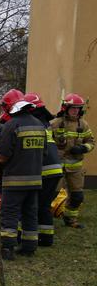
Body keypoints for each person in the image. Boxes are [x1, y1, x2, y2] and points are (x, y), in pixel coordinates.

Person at [0, 90, 45, 260]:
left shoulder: (11, 125)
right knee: (30, 213)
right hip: (35, 180)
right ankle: (29, 247)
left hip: (14, 181)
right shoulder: (39, 125)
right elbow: (44, 153)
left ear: (9, 106)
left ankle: (7, 249)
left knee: (10, 213)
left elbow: (3, 155)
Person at [50, 93, 94, 229]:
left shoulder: (84, 125)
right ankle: (43, 218)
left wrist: (82, 148)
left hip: (75, 168)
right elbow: (47, 143)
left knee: (77, 196)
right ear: (66, 108)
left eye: (78, 108)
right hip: (56, 166)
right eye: (73, 108)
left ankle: (70, 219)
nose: (75, 111)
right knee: (51, 194)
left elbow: (91, 142)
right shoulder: (55, 124)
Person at [27, 93, 63, 246]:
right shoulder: (44, 123)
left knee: (36, 204)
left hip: (45, 170)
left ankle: (33, 237)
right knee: (45, 205)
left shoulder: (34, 123)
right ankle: (46, 237)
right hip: (55, 170)